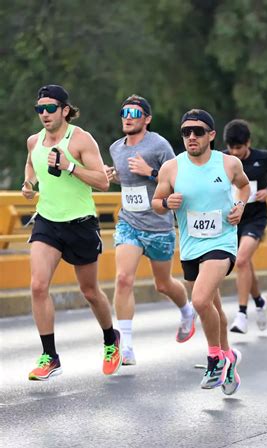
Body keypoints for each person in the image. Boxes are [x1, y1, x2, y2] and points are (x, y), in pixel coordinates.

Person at [22, 84, 122, 380]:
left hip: (80, 223)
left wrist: (69, 166)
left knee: (89, 291)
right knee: (38, 286)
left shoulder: (80, 139)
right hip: (48, 222)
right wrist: (29, 184)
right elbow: (31, 165)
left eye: (50, 108)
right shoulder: (33, 141)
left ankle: (110, 339)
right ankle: (50, 355)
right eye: (40, 109)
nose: (44, 114)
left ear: (65, 110)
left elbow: (103, 182)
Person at [152, 109, 250, 395]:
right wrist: (167, 202)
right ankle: (230, 357)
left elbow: (243, 188)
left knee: (199, 300)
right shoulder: (172, 168)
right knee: (213, 308)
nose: (191, 137)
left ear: (211, 135)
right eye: (186, 132)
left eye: (197, 131)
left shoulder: (228, 164)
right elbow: (156, 202)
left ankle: (215, 358)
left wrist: (241, 207)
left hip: (222, 243)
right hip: (191, 246)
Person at [105, 95, 195, 365]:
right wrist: (115, 177)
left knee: (163, 284)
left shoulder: (159, 145)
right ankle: (127, 347)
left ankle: (187, 310)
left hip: (158, 225)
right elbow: (126, 180)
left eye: (134, 112)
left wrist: (151, 172)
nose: (128, 116)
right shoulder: (115, 148)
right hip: (129, 223)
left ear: (147, 119)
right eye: (124, 112)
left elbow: (180, 182)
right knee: (123, 279)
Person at [223, 119, 267, 334]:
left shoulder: (263, 158)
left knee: (241, 260)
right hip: (233, 219)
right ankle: (260, 301)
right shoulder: (224, 160)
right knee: (245, 263)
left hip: (256, 218)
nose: (234, 152)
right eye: (231, 148)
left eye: (238, 148)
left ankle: (241, 314)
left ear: (248, 143)